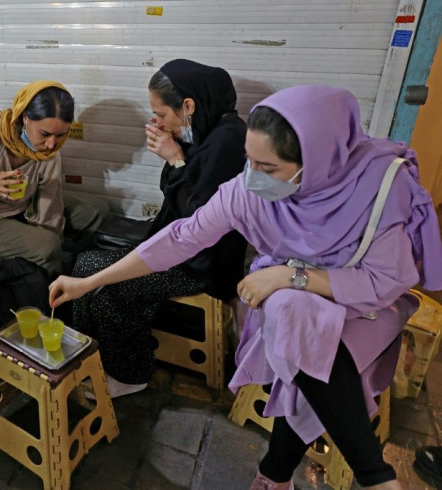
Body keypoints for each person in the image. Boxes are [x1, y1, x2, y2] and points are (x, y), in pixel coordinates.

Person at [49, 85, 442, 489]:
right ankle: (347, 477)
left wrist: (289, 276)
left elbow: (382, 281)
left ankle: (301, 476)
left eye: (268, 169)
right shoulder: (249, 192)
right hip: (300, 312)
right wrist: (89, 282)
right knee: (298, 323)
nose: (252, 178)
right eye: (249, 161)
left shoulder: (381, 187)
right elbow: (181, 237)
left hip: (366, 305)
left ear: (319, 160)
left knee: (295, 322)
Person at [70, 59, 247, 398]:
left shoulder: (228, 141)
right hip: (172, 246)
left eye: (162, 114)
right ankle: (91, 358)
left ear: (189, 105)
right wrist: (175, 156)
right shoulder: (206, 128)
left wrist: (176, 160)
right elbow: (174, 192)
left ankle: (130, 374)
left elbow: (199, 221)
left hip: (200, 263)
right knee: (84, 266)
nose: (157, 122)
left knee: (109, 291)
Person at [0, 80, 108, 276]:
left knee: (96, 211)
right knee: (47, 246)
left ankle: (76, 273)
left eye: (61, 135)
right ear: (25, 117)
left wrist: (49, 236)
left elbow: (49, 205)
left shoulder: (49, 154)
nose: (51, 144)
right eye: (45, 133)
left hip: (21, 206)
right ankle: (50, 294)